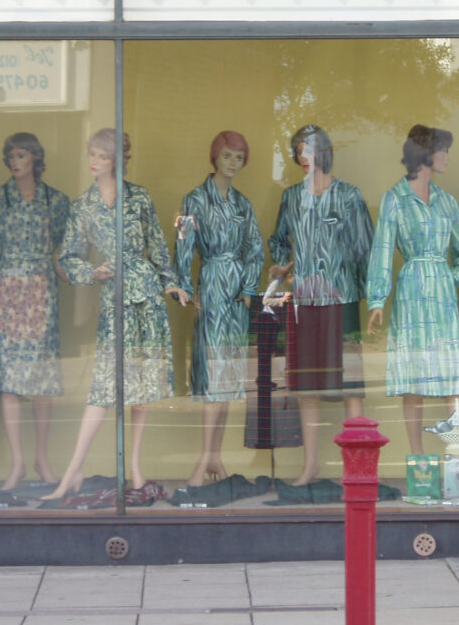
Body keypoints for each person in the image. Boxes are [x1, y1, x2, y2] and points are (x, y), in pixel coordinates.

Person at [43, 128, 190, 501]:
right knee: (104, 388)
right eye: (91, 154)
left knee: (141, 388)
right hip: (115, 299)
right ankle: (73, 472)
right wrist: (91, 273)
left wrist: (170, 283)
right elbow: (66, 256)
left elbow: (157, 244)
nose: (94, 162)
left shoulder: (138, 197)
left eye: (102, 156)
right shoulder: (83, 206)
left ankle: (137, 470)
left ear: (117, 160)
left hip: (147, 297)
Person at [268, 124, 373, 486]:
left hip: (341, 298)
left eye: (310, 149)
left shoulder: (349, 196)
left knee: (350, 384)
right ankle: (310, 465)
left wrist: (371, 299)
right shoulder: (292, 198)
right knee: (305, 384)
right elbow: (280, 240)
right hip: (304, 300)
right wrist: (283, 267)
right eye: (299, 151)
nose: (303, 157)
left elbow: (365, 249)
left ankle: (357, 467)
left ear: (325, 151)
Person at [366, 125, 459, 455]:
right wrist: (377, 298)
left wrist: (452, 275)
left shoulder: (446, 201)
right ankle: (418, 462)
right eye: (443, 151)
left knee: (453, 375)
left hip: (441, 295)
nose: (447, 158)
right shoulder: (394, 199)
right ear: (427, 154)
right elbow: (382, 249)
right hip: (411, 292)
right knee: (414, 380)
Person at [0, 132, 71, 490]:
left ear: (35, 159)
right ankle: (17, 464)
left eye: (22, 155)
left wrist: (55, 275)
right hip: (8, 290)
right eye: (11, 155)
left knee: (42, 379)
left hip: (42, 291)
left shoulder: (56, 201)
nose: (16, 161)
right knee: (11, 381)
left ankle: (42, 459)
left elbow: (66, 247)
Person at [174, 131, 264, 487]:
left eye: (239, 157)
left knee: (228, 377)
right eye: (227, 155)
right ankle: (203, 459)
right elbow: (183, 244)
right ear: (215, 157)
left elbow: (255, 246)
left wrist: (248, 288)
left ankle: (216, 458)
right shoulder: (194, 199)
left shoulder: (243, 204)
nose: (232, 163)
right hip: (211, 284)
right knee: (212, 374)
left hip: (236, 293)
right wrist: (183, 286)